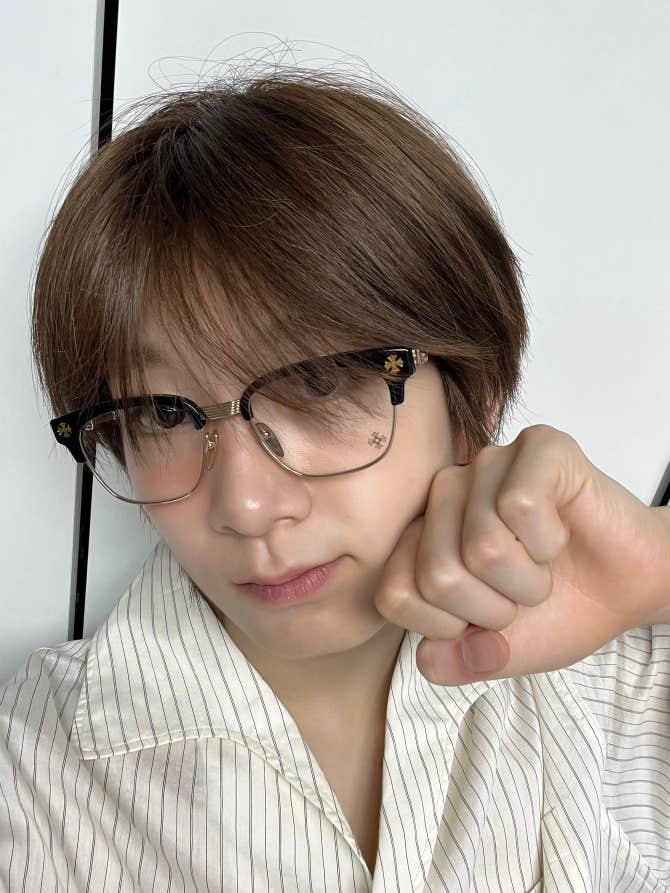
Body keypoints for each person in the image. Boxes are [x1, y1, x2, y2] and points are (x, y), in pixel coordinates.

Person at [1, 65, 669, 892]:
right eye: (164, 413)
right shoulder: (37, 772)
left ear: (473, 392)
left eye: (317, 382)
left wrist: (658, 564)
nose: (247, 505)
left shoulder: (620, 681)